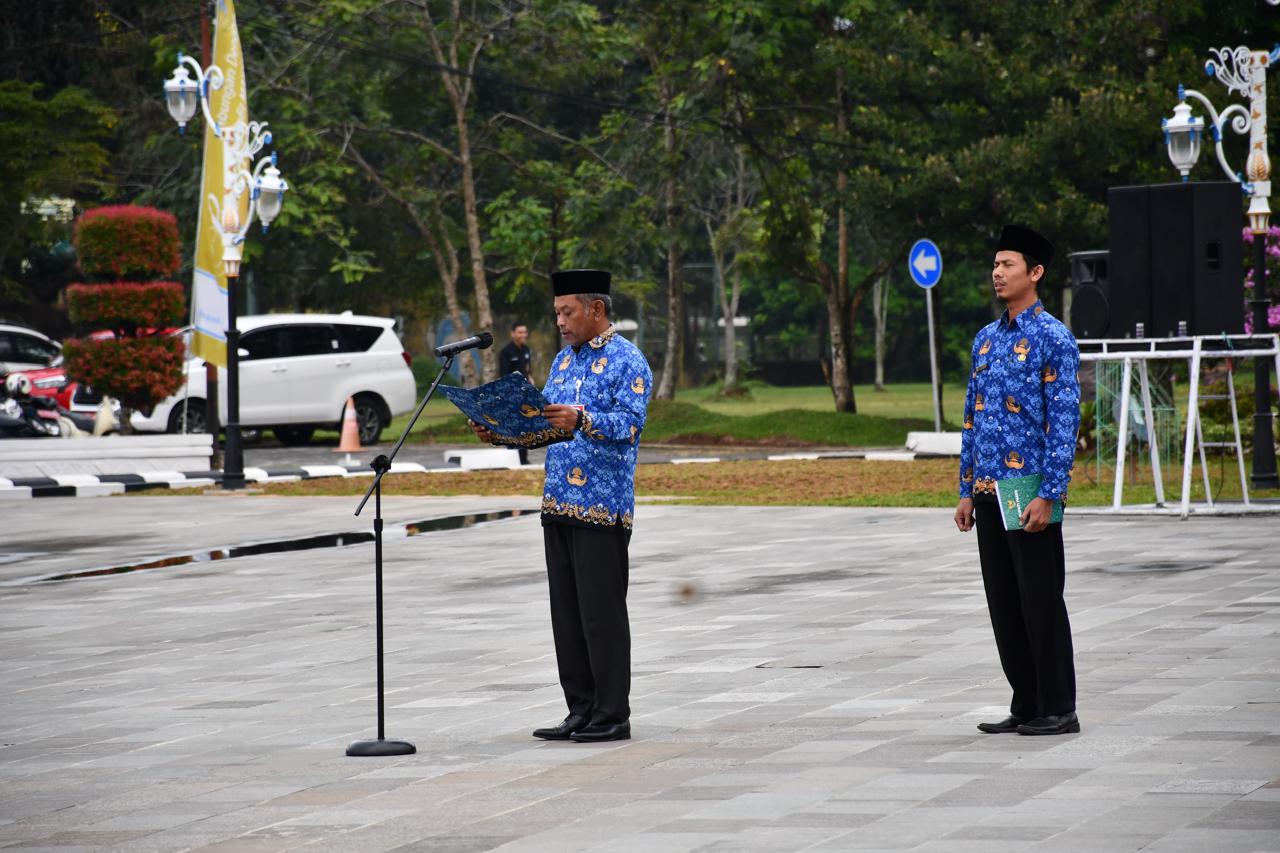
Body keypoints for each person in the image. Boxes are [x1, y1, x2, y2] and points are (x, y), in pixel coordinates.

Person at [470, 269, 652, 743]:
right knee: (566, 614)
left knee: (600, 613)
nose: (561, 322)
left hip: (602, 505)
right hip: (557, 503)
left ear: (596, 309)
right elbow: (543, 425)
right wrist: (499, 432)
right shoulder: (563, 363)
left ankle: (613, 714)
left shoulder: (628, 360)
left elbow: (630, 425)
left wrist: (583, 418)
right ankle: (580, 709)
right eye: (556, 313)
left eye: (567, 312)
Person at [954, 224, 1082, 737]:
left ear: (1035, 272)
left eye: (1007, 264)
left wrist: (1051, 494)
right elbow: (971, 415)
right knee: (1004, 603)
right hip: (987, 491)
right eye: (995, 264)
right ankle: (1026, 703)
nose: (997, 273)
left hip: (1029, 491)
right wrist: (965, 489)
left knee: (1041, 600)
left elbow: (1064, 422)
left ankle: (1060, 707)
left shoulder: (1054, 337)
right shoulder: (985, 341)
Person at [499, 321, 534, 464]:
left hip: (525, 395)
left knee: (525, 426)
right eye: (520, 332)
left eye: (525, 332)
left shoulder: (526, 350)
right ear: (513, 333)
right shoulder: (506, 352)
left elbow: (528, 369)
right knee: (513, 427)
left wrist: (531, 384)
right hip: (511, 395)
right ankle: (512, 458)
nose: (523, 335)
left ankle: (524, 459)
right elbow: (505, 376)